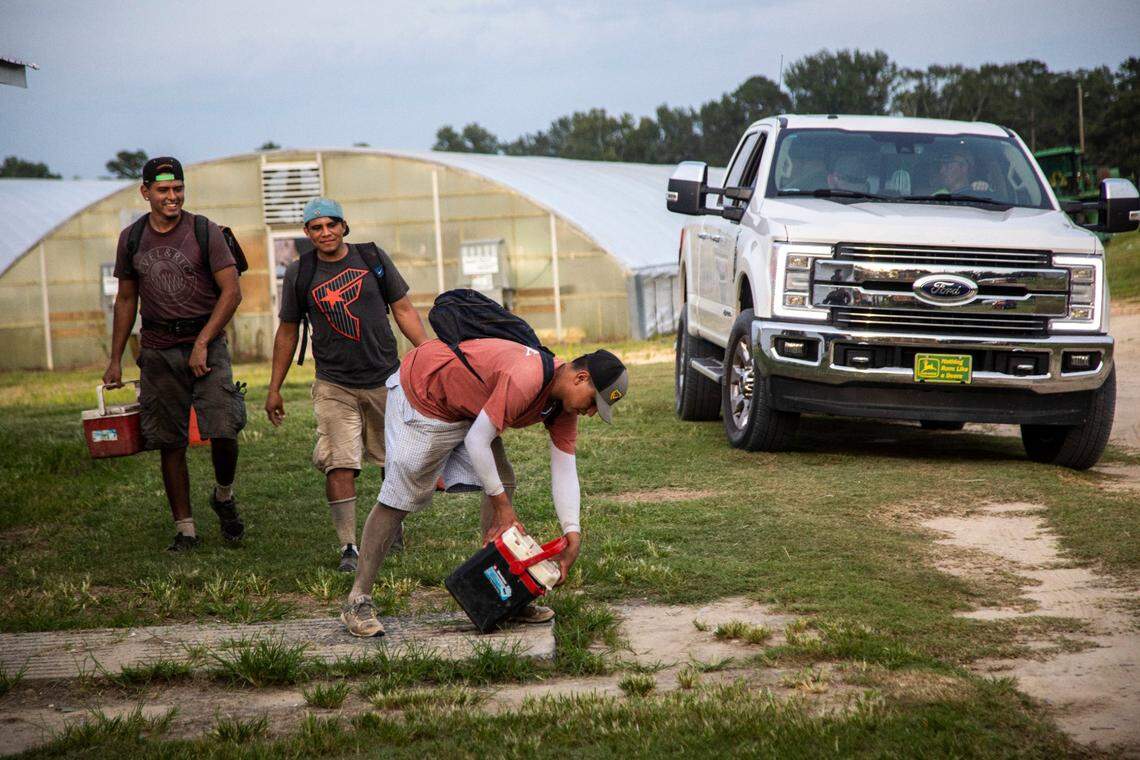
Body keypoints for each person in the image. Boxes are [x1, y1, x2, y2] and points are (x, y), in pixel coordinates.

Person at [340, 339, 629, 637]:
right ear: (581, 378)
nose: (592, 412)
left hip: (466, 407)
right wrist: (503, 509)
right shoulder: (527, 377)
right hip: (425, 394)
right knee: (401, 497)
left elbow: (565, 468)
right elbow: (477, 441)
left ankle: (502, 596)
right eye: (594, 401)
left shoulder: (562, 407)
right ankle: (357, 600)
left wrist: (573, 533)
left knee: (502, 480)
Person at [266, 198, 428, 573]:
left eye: (331, 225)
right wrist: (275, 387)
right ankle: (350, 547)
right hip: (334, 384)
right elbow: (288, 330)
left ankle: (391, 530)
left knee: (395, 459)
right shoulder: (300, 272)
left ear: (344, 226)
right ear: (307, 233)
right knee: (339, 462)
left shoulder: (371, 258)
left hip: (385, 377)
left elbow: (403, 309)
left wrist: (430, 352)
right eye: (316, 227)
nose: (325, 233)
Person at [103, 157, 246, 551]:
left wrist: (203, 342)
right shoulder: (131, 238)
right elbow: (127, 299)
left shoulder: (205, 231)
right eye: (163, 190)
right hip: (158, 350)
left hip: (207, 345)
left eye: (178, 188)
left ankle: (223, 495)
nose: (173, 196)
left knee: (223, 429)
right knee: (169, 440)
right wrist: (116, 358)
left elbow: (232, 292)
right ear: (145, 191)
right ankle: (185, 529)